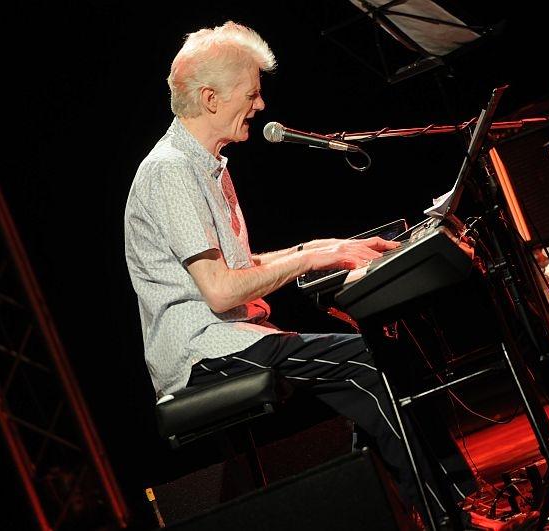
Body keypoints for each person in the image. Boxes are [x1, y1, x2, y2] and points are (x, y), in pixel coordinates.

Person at [124, 21, 472, 528]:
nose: (260, 105)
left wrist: (332, 249)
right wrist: (309, 260)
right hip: (204, 354)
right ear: (210, 98)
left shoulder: (204, 165)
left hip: (233, 338)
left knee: (379, 352)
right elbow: (220, 291)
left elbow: (240, 266)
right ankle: (446, 516)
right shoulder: (171, 171)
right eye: (252, 94)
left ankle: (433, 501)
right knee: (365, 362)